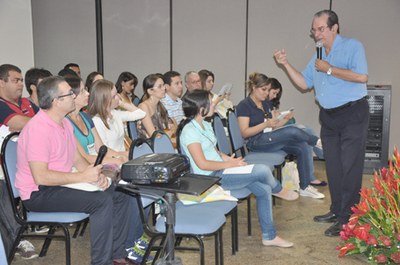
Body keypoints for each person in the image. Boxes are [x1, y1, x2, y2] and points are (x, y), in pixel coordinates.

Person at [15, 76, 134, 265]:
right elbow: (41, 176)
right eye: (69, 93)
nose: (74, 96)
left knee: (121, 193)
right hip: (38, 193)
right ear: (57, 101)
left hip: (63, 183)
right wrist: (82, 176)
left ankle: (117, 255)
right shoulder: (38, 129)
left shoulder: (63, 123)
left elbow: (77, 160)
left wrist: (96, 176)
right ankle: (101, 262)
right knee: (101, 202)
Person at [274, 9, 369, 237]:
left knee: (350, 167)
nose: (316, 34)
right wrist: (286, 64)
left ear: (334, 27)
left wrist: (330, 69)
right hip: (329, 117)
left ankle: (349, 219)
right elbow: (304, 84)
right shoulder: (317, 56)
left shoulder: (352, 47)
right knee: (334, 167)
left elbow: (362, 77)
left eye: (320, 29)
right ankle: (337, 211)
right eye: (313, 30)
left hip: (352, 114)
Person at [179, 90, 298, 248]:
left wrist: (232, 160)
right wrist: (230, 165)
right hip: (210, 178)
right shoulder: (189, 131)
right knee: (262, 171)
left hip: (221, 170)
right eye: (210, 101)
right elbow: (203, 164)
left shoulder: (205, 124)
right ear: (201, 108)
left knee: (263, 189)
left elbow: (215, 152)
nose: (214, 104)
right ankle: (278, 189)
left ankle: (269, 236)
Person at [236, 72, 325, 199]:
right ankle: (317, 142)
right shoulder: (244, 105)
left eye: (267, 90)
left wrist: (284, 119)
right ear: (253, 87)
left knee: (302, 145)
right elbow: (244, 132)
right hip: (255, 142)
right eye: (263, 89)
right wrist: (265, 125)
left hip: (268, 138)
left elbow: (273, 126)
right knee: (293, 131)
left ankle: (305, 187)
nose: (266, 93)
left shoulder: (265, 103)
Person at [266, 77, 326, 186]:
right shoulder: (260, 105)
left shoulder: (269, 104)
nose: (275, 96)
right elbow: (270, 127)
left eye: (276, 94)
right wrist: (282, 118)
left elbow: (274, 123)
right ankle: (324, 153)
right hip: (272, 136)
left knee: (306, 135)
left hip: (276, 131)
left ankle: (311, 176)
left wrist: (284, 117)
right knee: (305, 130)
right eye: (274, 93)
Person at [64, 75, 128, 165]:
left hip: (94, 163)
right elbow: (84, 158)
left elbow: (101, 147)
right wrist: (117, 160)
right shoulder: (65, 122)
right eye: (82, 91)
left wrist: (122, 155)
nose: (88, 93)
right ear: (72, 96)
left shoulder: (86, 117)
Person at [87, 79, 146, 152]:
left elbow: (141, 114)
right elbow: (105, 151)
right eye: (114, 96)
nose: (118, 98)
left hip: (123, 157)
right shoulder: (96, 121)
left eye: (117, 94)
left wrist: (122, 103)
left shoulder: (115, 113)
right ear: (104, 100)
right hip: (112, 160)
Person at [137, 73, 176, 141]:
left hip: (161, 142)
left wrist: (169, 132)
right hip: (149, 146)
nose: (164, 88)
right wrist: (168, 133)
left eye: (163, 85)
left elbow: (174, 126)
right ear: (150, 91)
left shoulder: (160, 105)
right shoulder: (143, 106)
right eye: (160, 86)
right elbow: (154, 135)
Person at [0, 64, 39, 131]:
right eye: (16, 80)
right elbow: (19, 123)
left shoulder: (26, 101)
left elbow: (47, 118)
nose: (21, 84)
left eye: (21, 81)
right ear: (1, 83)